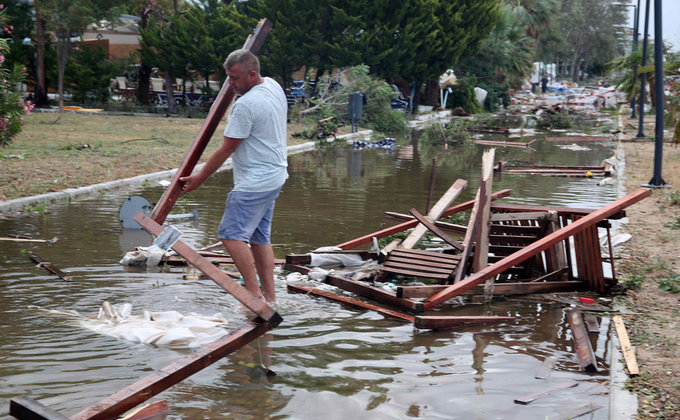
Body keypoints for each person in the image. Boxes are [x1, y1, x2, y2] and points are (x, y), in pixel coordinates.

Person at [179, 49, 288, 303]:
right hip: (275, 175)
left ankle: (253, 296)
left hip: (256, 182)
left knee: (230, 236)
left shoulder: (246, 104)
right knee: (260, 238)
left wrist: (200, 177)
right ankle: (269, 298)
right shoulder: (272, 85)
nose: (230, 84)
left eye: (235, 78)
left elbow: (227, 148)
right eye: (228, 77)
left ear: (252, 74)